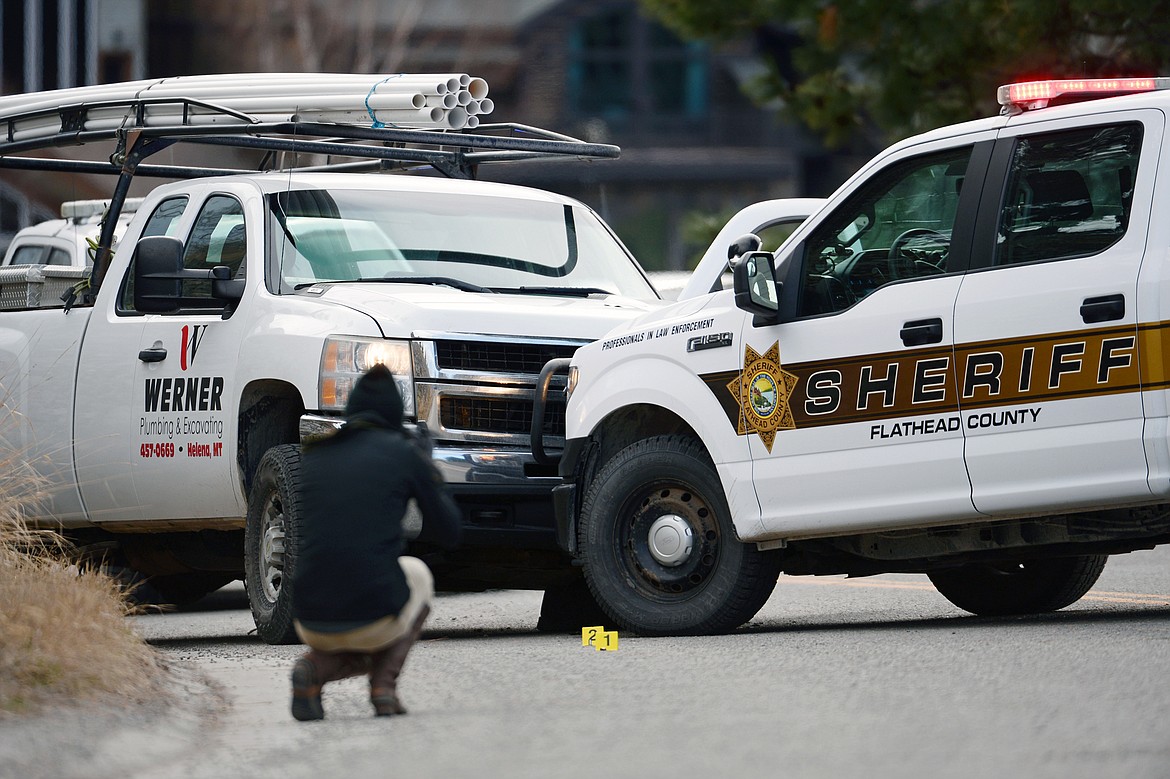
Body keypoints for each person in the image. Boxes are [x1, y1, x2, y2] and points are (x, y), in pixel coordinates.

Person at [289, 363, 461, 721]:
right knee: (417, 575)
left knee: (352, 607)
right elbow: (449, 532)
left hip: (307, 617)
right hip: (372, 613)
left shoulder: (315, 455)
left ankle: (314, 667)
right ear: (395, 412)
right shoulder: (402, 452)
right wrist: (426, 469)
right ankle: (384, 686)